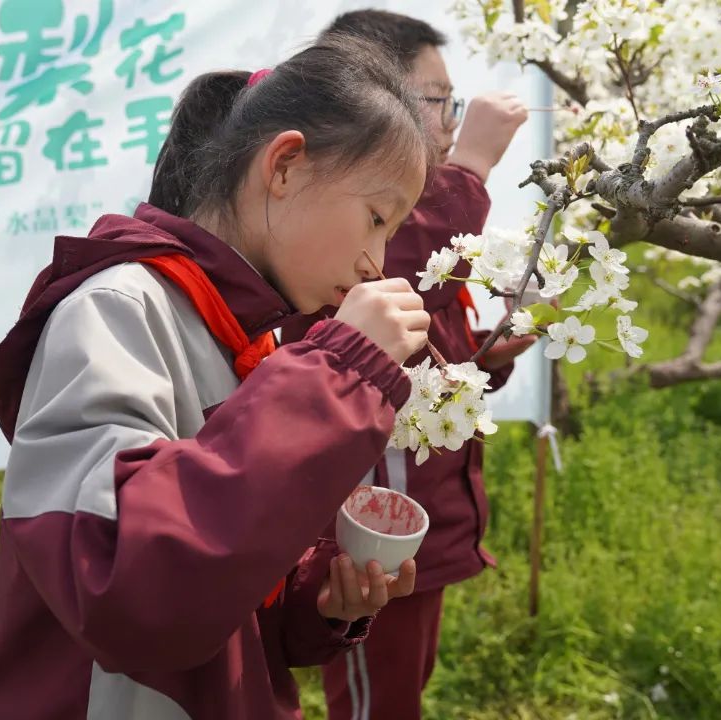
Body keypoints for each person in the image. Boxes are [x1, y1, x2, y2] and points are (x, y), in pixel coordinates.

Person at [0, 35, 435, 720]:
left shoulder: (252, 338)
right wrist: (339, 371)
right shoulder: (117, 307)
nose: (376, 260)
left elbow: (220, 588)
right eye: (375, 217)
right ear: (285, 166)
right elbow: (126, 589)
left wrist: (314, 602)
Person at [281, 11, 536, 719]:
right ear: (370, 99)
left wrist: (488, 361)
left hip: (425, 512)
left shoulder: (421, 210)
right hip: (376, 525)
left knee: (402, 686)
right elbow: (397, 277)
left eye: (456, 105)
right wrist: (474, 166)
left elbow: (430, 335)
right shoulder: (367, 228)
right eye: (439, 101)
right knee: (376, 699)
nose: (454, 121)